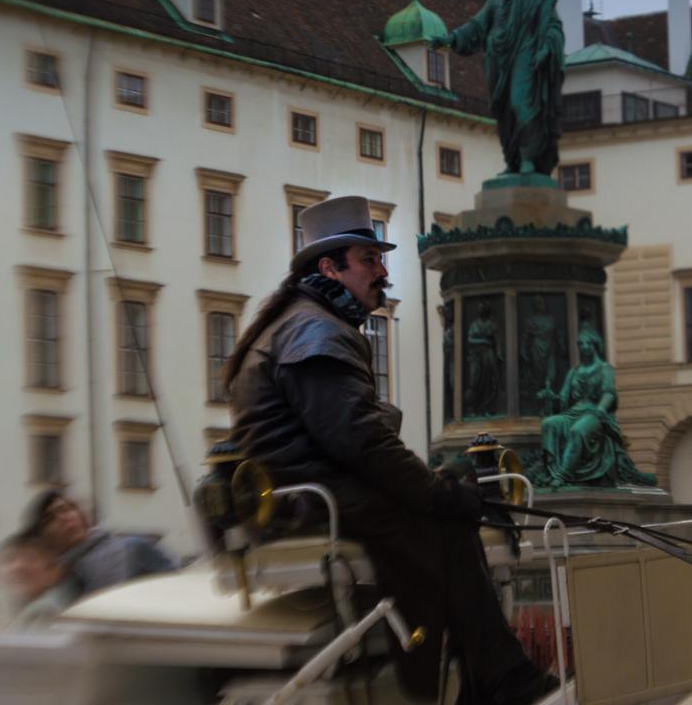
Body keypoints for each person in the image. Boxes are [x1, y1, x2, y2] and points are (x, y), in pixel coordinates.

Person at [222, 195, 555, 705]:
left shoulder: (304, 322)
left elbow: (356, 438)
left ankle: (490, 675)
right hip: (313, 501)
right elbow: (362, 443)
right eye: (369, 260)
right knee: (445, 519)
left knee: (447, 503)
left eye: (381, 259)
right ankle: (496, 679)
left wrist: (439, 487)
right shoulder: (316, 331)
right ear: (330, 267)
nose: (383, 271)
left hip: (312, 490)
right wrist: (439, 495)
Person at [428, 0, 564, 178]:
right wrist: (450, 39)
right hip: (497, 58)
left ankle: (528, 158)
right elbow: (476, 26)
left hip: (526, 54)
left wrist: (545, 48)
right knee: (502, 111)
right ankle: (513, 160)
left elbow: (551, 25)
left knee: (521, 104)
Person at [537, 321, 656, 488]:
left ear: (595, 345)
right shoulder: (574, 372)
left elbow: (609, 392)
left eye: (588, 343)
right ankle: (554, 472)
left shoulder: (605, 369)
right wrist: (551, 397)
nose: (584, 347)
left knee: (578, 431)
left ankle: (564, 475)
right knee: (549, 424)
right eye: (581, 344)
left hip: (595, 412)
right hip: (574, 411)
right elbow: (564, 398)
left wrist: (601, 408)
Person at [23, 491, 174, 596]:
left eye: (66, 509)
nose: (64, 518)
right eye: (50, 518)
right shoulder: (53, 579)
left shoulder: (131, 549)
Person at [0, 530, 77, 630]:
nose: (18, 567)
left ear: (53, 573)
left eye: (29, 558)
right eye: (8, 559)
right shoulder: (3, 615)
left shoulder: (45, 612)